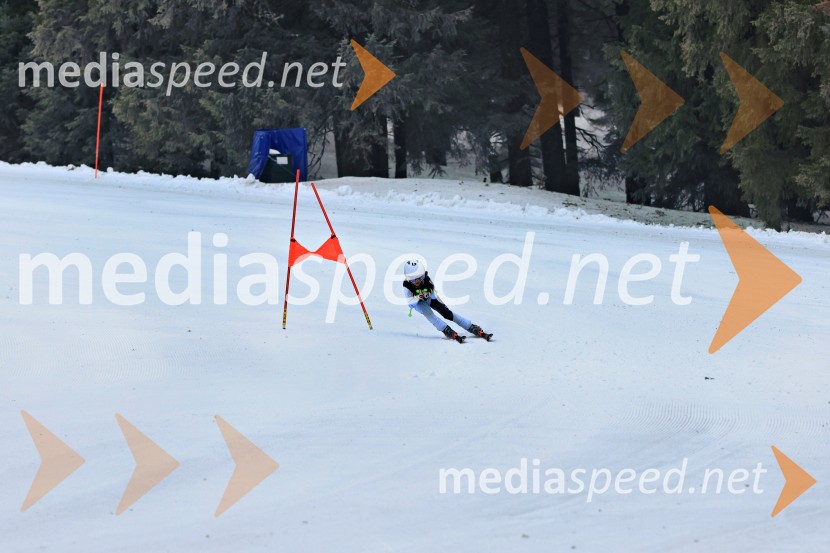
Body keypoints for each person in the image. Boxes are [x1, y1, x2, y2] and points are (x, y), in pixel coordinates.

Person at [402, 260, 492, 343]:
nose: (417, 281)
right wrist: (417, 297)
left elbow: (431, 287)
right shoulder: (406, 286)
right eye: (413, 279)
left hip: (430, 298)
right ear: (408, 278)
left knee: (447, 314)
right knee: (429, 315)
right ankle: (445, 329)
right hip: (418, 304)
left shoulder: (426, 278)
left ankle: (470, 326)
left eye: (420, 277)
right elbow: (410, 303)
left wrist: (427, 292)